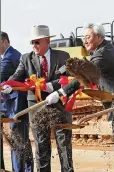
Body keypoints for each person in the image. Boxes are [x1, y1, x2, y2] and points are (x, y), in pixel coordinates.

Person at [46, 23, 114, 172]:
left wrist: (60, 93)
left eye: (88, 37)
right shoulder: (106, 50)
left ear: (99, 37)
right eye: (83, 37)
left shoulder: (102, 54)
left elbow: (85, 75)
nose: (84, 40)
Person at [2, 25, 74, 172]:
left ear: (47, 41)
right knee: (41, 148)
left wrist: (48, 86)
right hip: (37, 108)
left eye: (37, 42)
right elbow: (16, 77)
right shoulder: (26, 58)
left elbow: (67, 79)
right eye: (32, 42)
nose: (34, 45)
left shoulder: (63, 57)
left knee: (64, 146)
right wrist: (8, 86)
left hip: (59, 106)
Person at [0, 31, 32, 172]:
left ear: (5, 41)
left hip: (16, 106)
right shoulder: (9, 55)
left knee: (18, 139)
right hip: (11, 104)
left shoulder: (10, 57)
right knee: (19, 140)